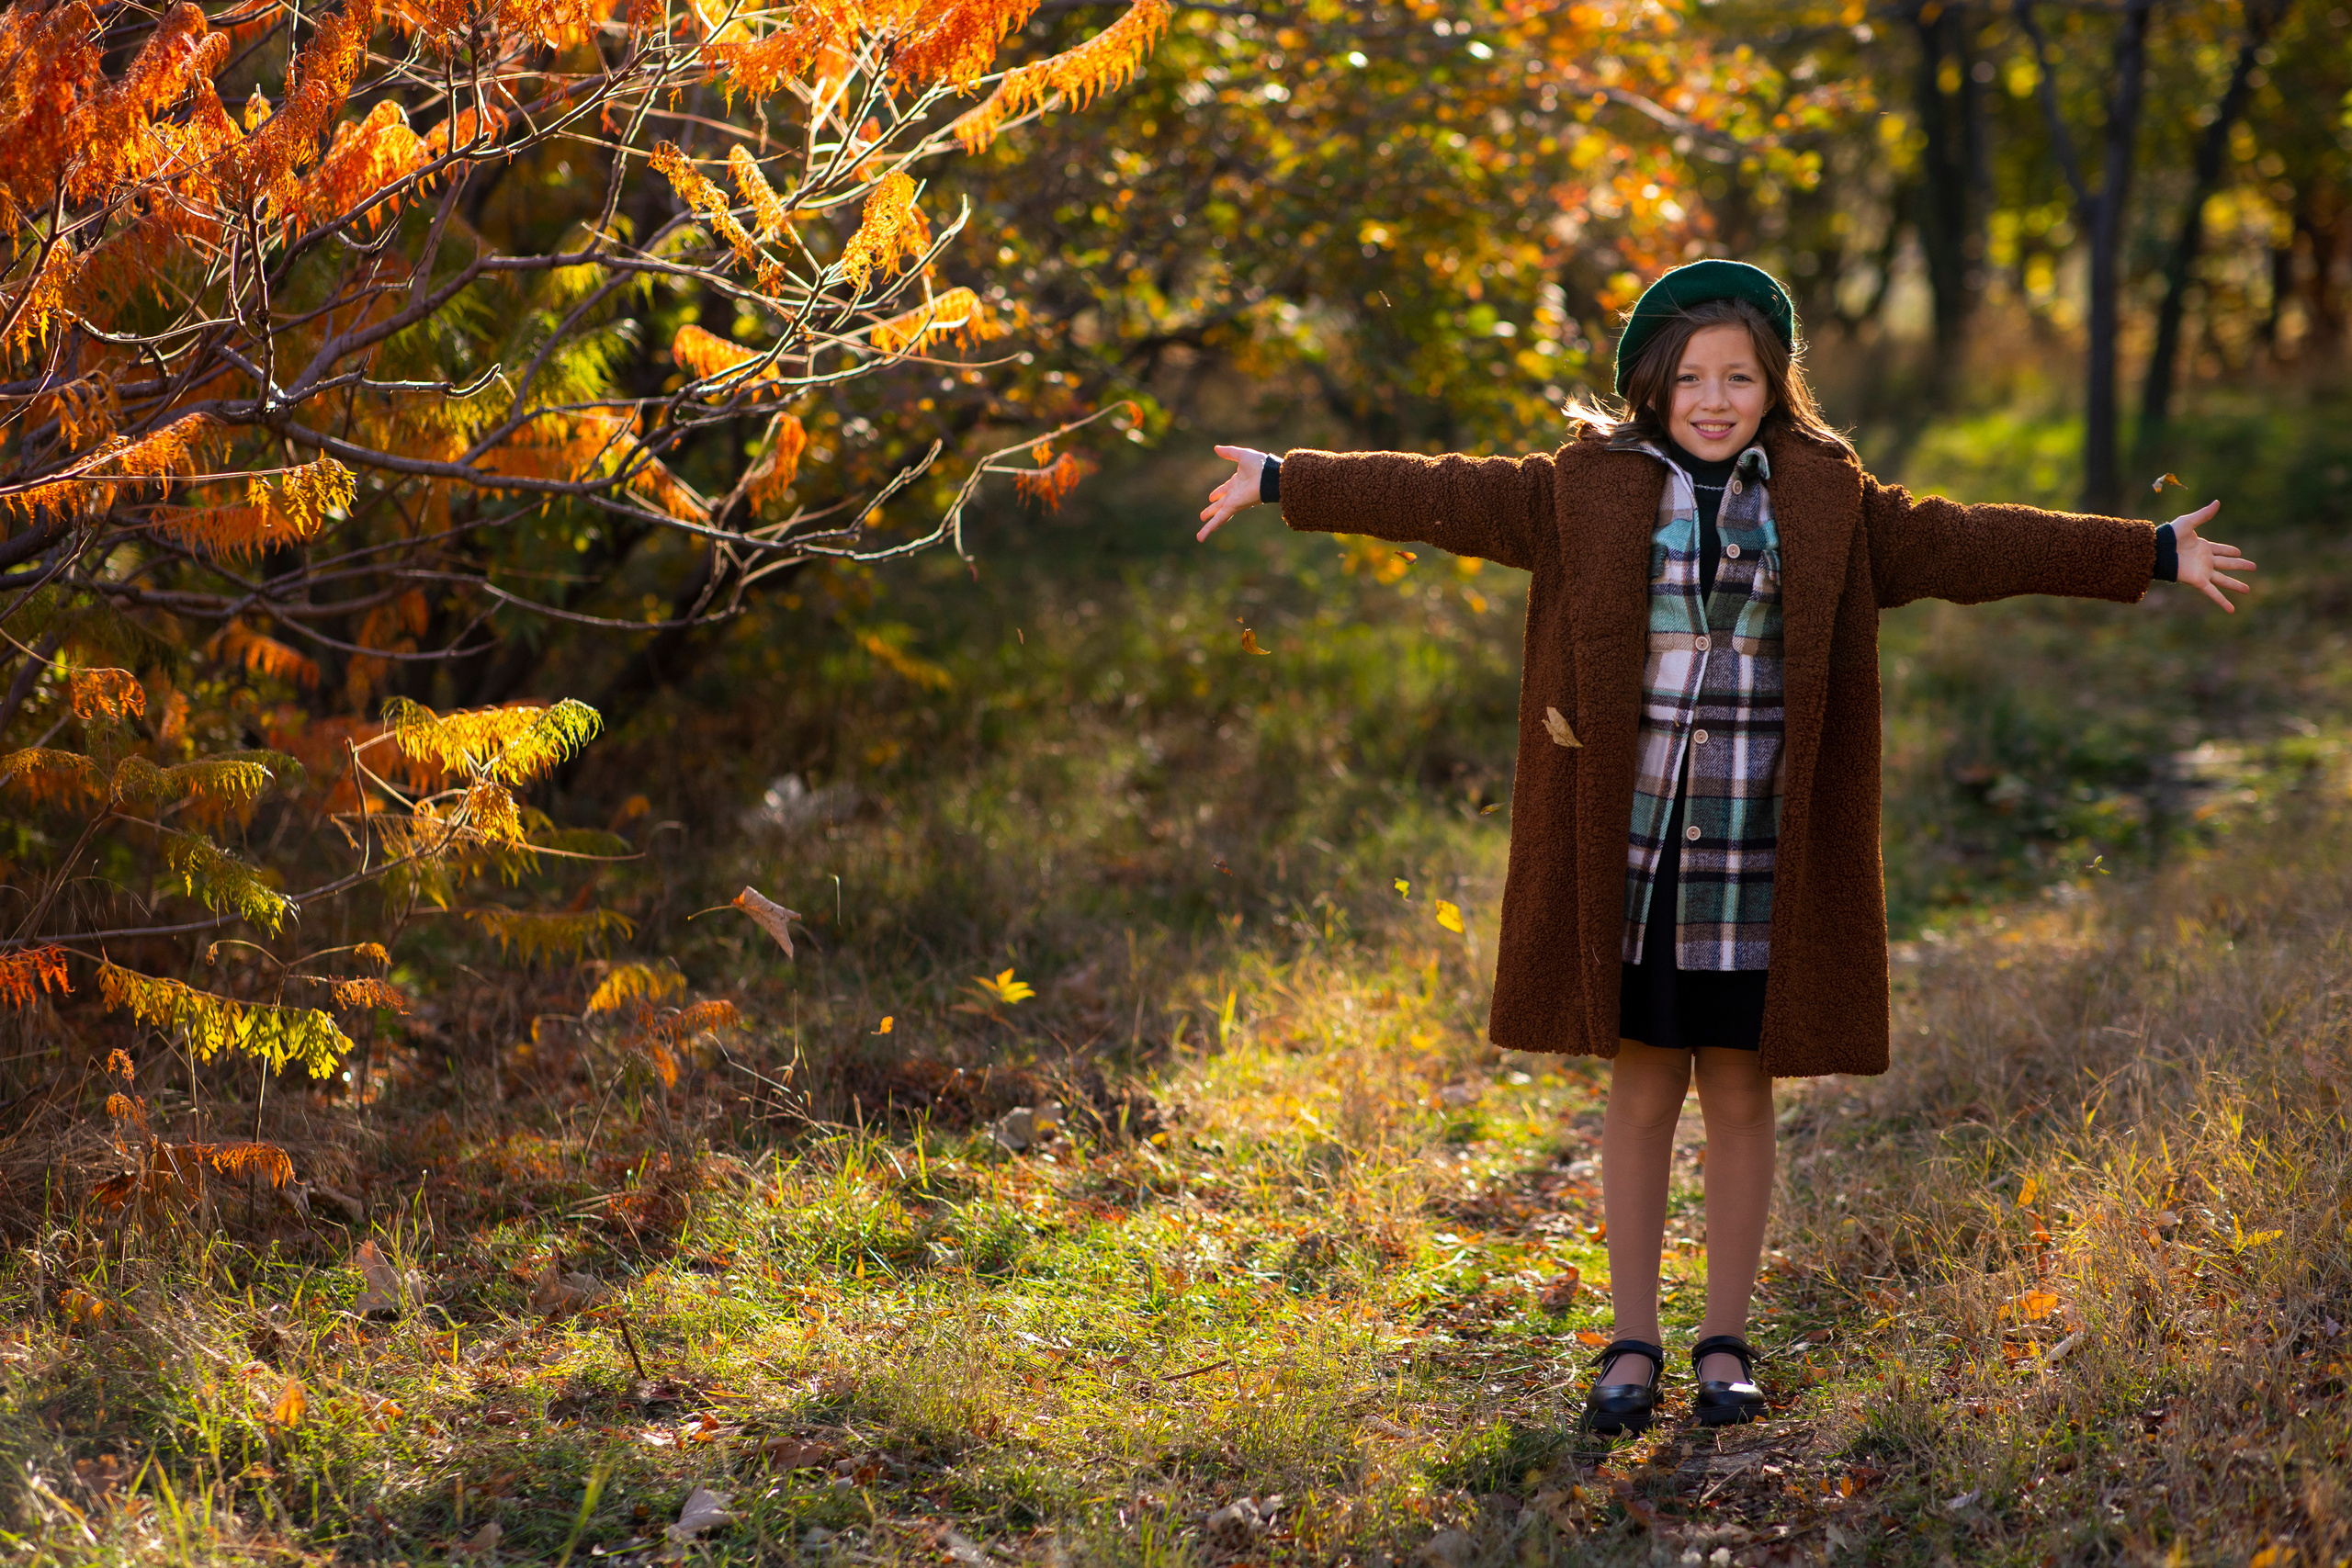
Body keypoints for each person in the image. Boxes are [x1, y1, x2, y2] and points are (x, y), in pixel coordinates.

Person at [1193, 259, 2254, 1436]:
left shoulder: (1828, 499)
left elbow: (1967, 545)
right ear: (1650, 385)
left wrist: (2145, 553)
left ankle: (1724, 1342)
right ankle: (1631, 1342)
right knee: (1645, 1082)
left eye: (1738, 377)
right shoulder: (1577, 489)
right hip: (1636, 847)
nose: (1713, 397)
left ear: (1773, 385)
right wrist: (1291, 477)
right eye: (1690, 377)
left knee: (1742, 1086)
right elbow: (1441, 492)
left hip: (1761, 847)